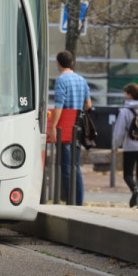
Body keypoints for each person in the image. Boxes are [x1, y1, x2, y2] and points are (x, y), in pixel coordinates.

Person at [49, 50, 92, 205]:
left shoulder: (61, 80)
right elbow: (88, 104)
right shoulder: (82, 80)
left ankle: (70, 201)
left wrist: (53, 126)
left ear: (58, 63)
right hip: (78, 128)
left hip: (65, 129)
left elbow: (59, 105)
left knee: (66, 168)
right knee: (76, 166)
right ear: (72, 62)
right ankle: (78, 201)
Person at [111, 82, 138, 209]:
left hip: (130, 146)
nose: (124, 95)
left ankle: (135, 190)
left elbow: (119, 131)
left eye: (125, 93)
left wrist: (115, 145)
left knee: (128, 174)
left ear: (129, 95)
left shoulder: (124, 112)